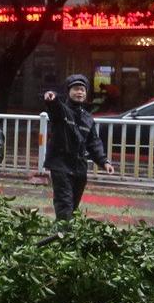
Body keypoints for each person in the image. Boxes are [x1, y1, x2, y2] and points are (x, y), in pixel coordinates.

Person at [43, 74, 115, 222]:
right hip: (61, 165)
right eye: (76, 89)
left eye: (82, 89)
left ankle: (64, 236)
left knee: (73, 208)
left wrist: (104, 162)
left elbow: (94, 142)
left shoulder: (88, 118)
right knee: (64, 206)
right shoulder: (62, 111)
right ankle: (63, 238)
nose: (79, 92)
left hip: (79, 168)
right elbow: (54, 108)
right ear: (68, 91)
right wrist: (52, 98)